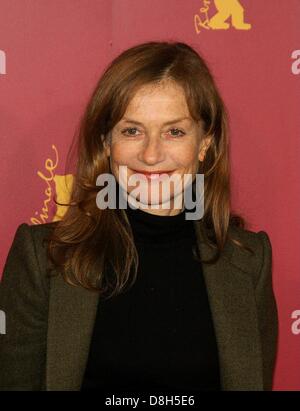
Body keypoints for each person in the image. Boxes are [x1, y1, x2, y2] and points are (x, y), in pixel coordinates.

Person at [0, 41, 278, 391]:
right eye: (132, 130)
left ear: (205, 142)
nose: (150, 155)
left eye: (174, 131)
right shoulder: (43, 258)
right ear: (106, 142)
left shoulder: (249, 261)